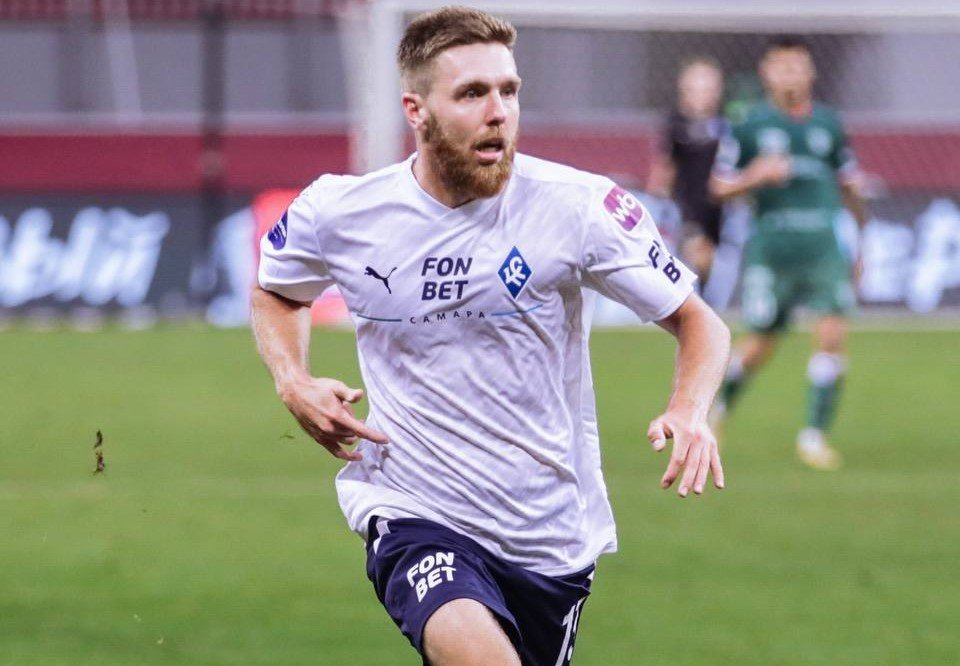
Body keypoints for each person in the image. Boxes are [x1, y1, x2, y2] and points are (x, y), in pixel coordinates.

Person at [251, 7, 730, 665]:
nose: (498, 112)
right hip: (413, 510)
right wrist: (292, 379)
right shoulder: (342, 212)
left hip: (547, 538)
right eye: (472, 93)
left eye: (509, 90)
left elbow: (698, 321)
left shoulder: (578, 206)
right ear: (417, 111)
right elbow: (278, 288)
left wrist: (689, 409)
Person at [709, 35, 869, 471]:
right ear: (766, 73)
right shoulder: (748, 125)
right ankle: (718, 408)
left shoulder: (829, 125)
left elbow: (850, 186)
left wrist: (861, 241)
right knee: (760, 343)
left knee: (832, 334)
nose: (790, 75)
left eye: (797, 66)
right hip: (773, 249)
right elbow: (718, 187)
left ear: (810, 72)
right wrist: (755, 177)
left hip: (823, 247)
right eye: (782, 67)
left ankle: (813, 437)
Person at [647, 56, 728, 297]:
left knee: (713, 261)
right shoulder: (677, 124)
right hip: (688, 205)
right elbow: (666, 165)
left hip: (720, 206)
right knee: (696, 254)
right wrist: (658, 198)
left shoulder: (726, 123)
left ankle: (706, 300)